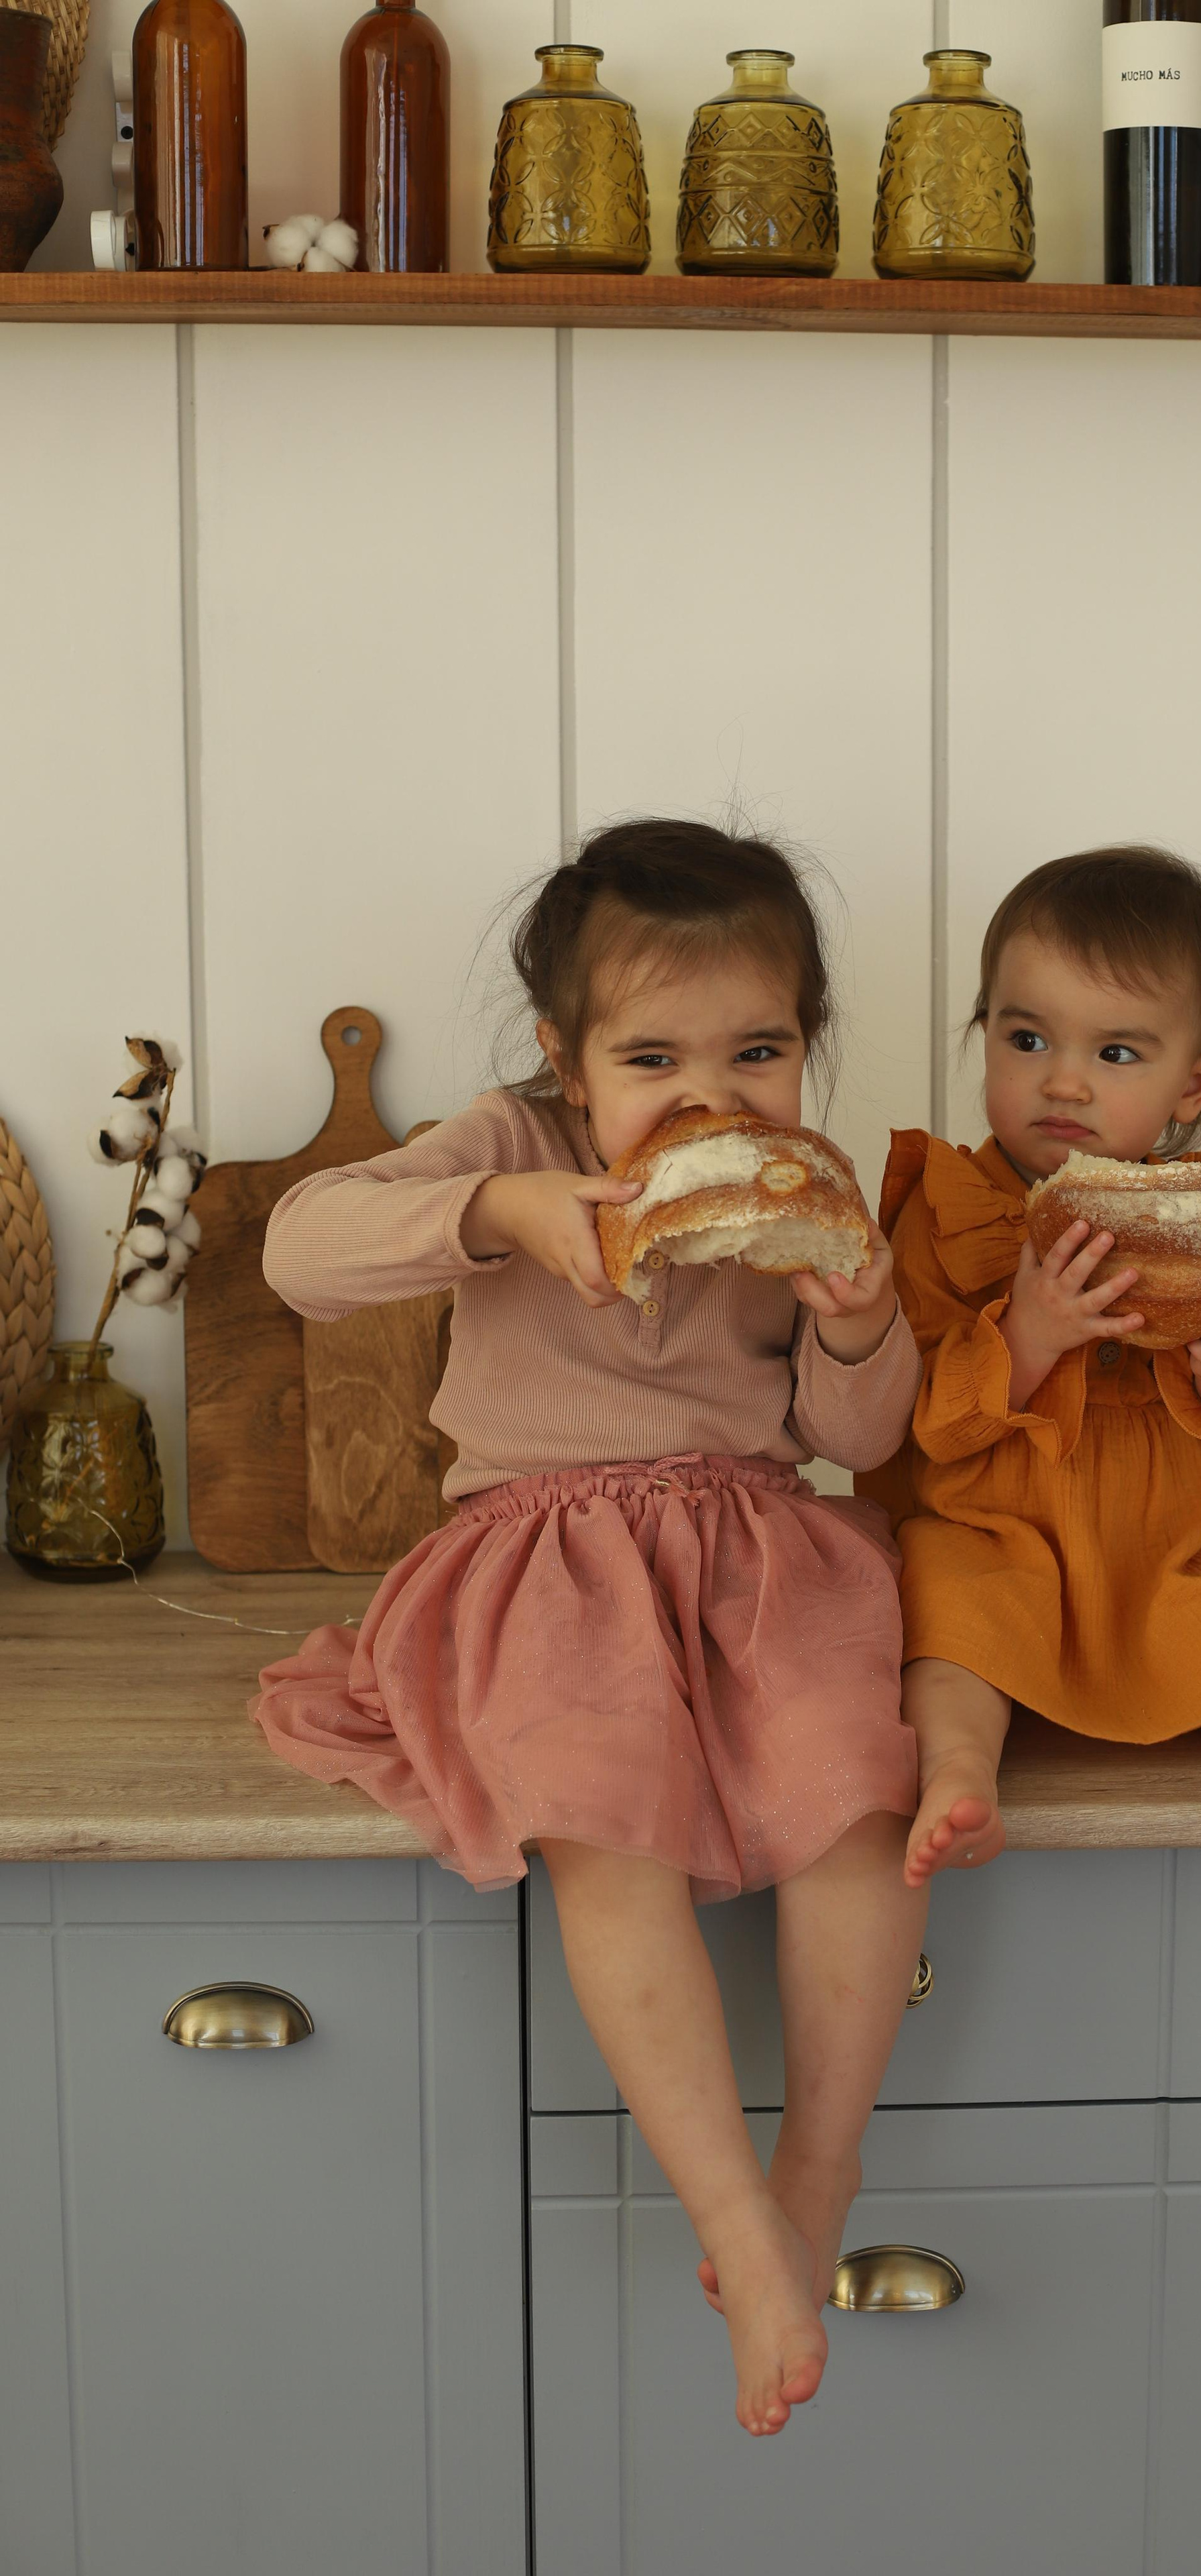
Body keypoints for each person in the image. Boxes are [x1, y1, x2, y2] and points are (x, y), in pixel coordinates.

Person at [253, 820, 927, 2438]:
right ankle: (725, 2221)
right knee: (601, 1828)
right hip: (539, 1559)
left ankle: (814, 2177)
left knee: (859, 1805)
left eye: (758, 1051)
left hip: (754, 1553)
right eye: (651, 1055)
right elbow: (297, 1252)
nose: (714, 1093)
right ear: (564, 1057)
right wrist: (501, 1212)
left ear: (805, 1047)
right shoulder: (508, 1141)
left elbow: (870, 1433)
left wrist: (855, 1310)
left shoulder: (801, 1192)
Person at [858, 845, 1201, 1890]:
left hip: (1163, 1542)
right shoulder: (945, 1211)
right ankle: (961, 1772)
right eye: (1026, 1038)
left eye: (1116, 1055)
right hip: (999, 1531)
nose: (1061, 1081)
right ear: (985, 1034)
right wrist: (1026, 1334)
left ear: (1194, 1086)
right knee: (947, 1618)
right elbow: (911, 1425)